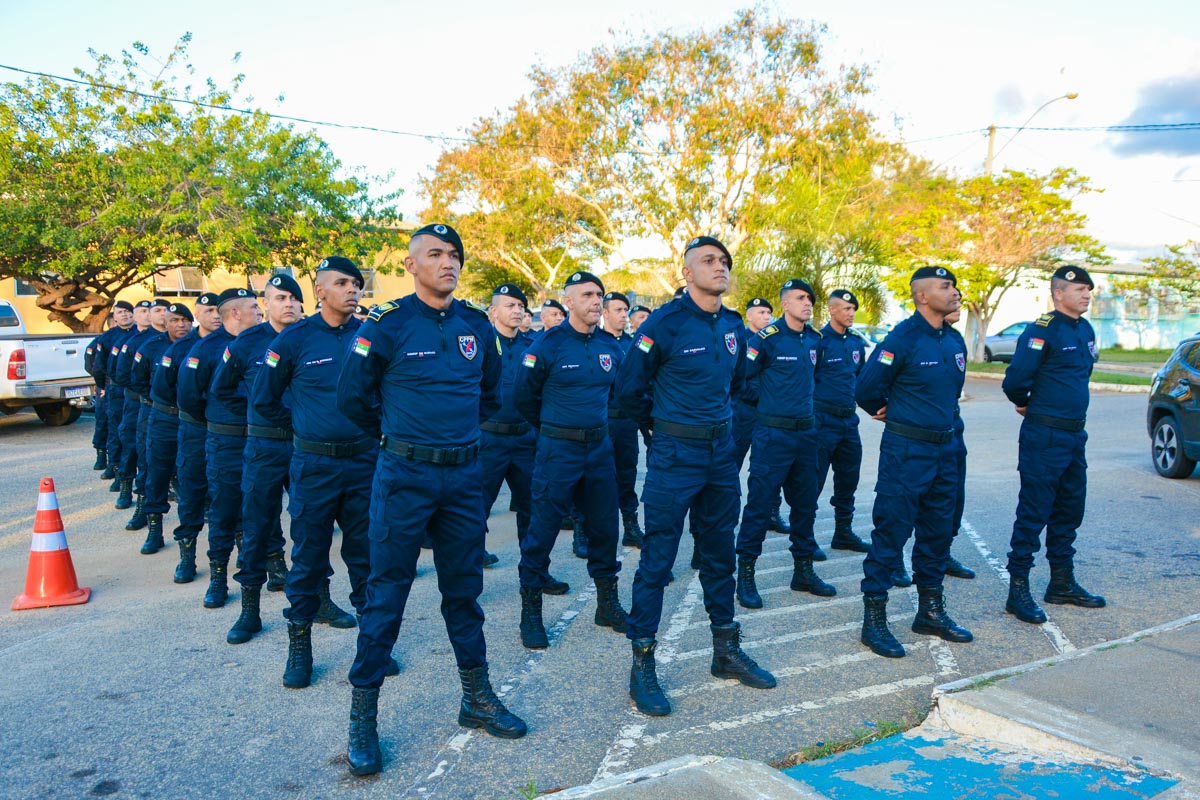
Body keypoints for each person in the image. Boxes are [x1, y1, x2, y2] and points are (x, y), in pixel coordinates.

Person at [338, 223, 526, 777]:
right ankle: (363, 716)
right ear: (411, 265)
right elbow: (353, 398)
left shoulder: (474, 325)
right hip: (404, 477)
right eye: (436, 254)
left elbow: (491, 395)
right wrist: (401, 438)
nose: (448, 263)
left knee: (464, 593)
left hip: (465, 479)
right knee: (386, 594)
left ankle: (476, 698)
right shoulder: (387, 326)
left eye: (455, 255)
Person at [616, 235, 776, 717]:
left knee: (719, 553)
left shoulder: (731, 325)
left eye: (724, 261)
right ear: (686, 273)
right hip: (674, 455)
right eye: (708, 260)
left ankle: (725, 651)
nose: (719, 267)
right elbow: (628, 392)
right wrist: (661, 431)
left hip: (719, 454)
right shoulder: (664, 322)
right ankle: (643, 663)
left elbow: (737, 385)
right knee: (658, 561)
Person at [248, 257, 389, 686]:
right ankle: (300, 647)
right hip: (313, 465)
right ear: (320, 291)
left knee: (367, 557)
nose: (353, 290)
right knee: (308, 557)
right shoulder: (294, 340)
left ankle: (372, 648)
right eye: (342, 283)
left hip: (364, 462)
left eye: (357, 284)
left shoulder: (372, 336)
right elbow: (264, 399)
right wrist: (305, 427)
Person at [855, 266, 972, 659]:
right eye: (945, 286)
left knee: (938, 533)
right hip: (907, 451)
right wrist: (892, 411)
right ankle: (874, 620)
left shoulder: (954, 339)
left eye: (953, 285)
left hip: (946, 450)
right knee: (891, 532)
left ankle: (930, 612)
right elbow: (867, 388)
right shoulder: (901, 338)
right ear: (923, 296)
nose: (954, 291)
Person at [514, 272, 627, 649]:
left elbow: (615, 395)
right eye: (588, 295)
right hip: (557, 451)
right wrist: (556, 428)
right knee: (543, 529)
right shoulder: (547, 346)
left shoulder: (610, 348)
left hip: (598, 451)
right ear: (569, 301)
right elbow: (524, 399)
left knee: (605, 529)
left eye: (599, 295)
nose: (596, 301)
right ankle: (531, 612)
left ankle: (607, 605)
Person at [214, 275, 318, 643]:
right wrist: (259, 409)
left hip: (309, 447)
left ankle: (317, 599)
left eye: (293, 298)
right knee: (257, 525)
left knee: (310, 526)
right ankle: (250, 609)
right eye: (279, 298)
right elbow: (222, 389)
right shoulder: (246, 344)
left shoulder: (314, 335)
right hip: (266, 446)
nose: (288, 304)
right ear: (266, 305)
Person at [1001, 266, 1106, 624]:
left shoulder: (1086, 329)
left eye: (1089, 289)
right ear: (1058, 293)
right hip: (1044, 435)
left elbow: (1081, 375)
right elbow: (1015, 379)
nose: (1087, 294)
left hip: (1075, 435)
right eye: (1079, 288)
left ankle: (1061, 583)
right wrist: (1028, 403)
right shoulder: (1041, 330)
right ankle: (1018, 590)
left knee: (1069, 509)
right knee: (1034, 511)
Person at [734, 279, 835, 610]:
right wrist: (768, 403)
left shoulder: (816, 340)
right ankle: (746, 574)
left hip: (806, 435)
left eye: (810, 298)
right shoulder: (766, 340)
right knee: (760, 505)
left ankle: (803, 571)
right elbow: (741, 380)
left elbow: (817, 382)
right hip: (772, 435)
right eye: (800, 298)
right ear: (785, 305)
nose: (808, 303)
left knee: (806, 505)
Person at [477, 283, 567, 589]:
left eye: (520, 306)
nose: (517, 311)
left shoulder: (533, 344)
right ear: (493, 311)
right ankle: (468, 583)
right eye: (510, 305)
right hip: (489, 440)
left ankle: (536, 573)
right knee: (476, 511)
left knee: (534, 510)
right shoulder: (481, 344)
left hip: (526, 441)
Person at [179, 288, 261, 609]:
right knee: (224, 508)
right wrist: (220, 422)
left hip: (259, 438)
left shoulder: (264, 342)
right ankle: (218, 576)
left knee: (259, 506)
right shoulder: (206, 349)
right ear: (236, 313)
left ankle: (261, 567)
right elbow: (189, 397)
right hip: (224, 440)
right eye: (254, 307)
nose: (260, 312)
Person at [160, 292, 220, 582]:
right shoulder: (184, 348)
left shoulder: (239, 343)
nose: (215, 315)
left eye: (218, 309)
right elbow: (168, 388)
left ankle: (249, 556)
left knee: (234, 495)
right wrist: (205, 413)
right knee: (193, 489)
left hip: (231, 431)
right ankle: (187, 556)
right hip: (196, 427)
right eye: (208, 310)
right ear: (199, 313)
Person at [131, 303, 192, 554]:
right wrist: (158, 401)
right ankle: (155, 527)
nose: (181, 325)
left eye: (185, 320)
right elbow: (135, 379)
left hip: (192, 420)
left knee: (193, 473)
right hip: (161, 416)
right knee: (156, 472)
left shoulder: (199, 345)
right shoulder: (150, 347)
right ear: (165, 322)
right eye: (175, 320)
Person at [814, 290, 870, 554]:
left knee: (848, 479)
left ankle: (843, 533)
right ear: (832, 310)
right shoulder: (819, 342)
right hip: (822, 421)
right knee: (812, 482)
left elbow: (861, 379)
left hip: (849, 422)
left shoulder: (856, 343)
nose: (850, 313)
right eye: (846, 308)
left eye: (852, 309)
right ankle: (806, 538)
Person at [733, 297, 792, 537]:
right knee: (731, 464)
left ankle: (771, 513)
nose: (766, 316)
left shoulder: (775, 341)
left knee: (770, 465)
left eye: (769, 312)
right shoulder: (740, 341)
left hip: (768, 414)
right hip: (744, 411)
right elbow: (735, 378)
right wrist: (754, 395)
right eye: (760, 312)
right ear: (749, 315)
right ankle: (727, 514)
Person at [599, 290, 645, 547]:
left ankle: (630, 526)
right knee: (598, 478)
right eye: (618, 310)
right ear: (604, 313)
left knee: (627, 474)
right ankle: (586, 528)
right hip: (602, 421)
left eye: (625, 311)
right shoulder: (595, 342)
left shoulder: (634, 344)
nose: (624, 316)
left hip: (627, 422)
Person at [942, 295, 976, 580]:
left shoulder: (955, 340)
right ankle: (897, 561)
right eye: (952, 297)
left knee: (954, 496)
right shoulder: (911, 337)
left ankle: (944, 552)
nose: (958, 305)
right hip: (921, 433)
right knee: (910, 502)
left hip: (954, 428)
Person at [111, 300, 155, 511]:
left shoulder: (169, 340)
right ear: (136, 317)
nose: (148, 315)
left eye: (152, 311)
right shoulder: (130, 342)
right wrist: (144, 393)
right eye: (143, 312)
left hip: (160, 406)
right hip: (136, 401)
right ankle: (127, 485)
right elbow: (119, 374)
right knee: (130, 444)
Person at [89, 302, 135, 476]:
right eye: (120, 312)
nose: (124, 315)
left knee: (132, 432)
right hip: (113, 388)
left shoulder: (140, 335)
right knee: (114, 428)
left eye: (128, 312)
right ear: (114, 317)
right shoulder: (107, 338)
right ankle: (114, 466)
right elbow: (98, 366)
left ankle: (129, 468)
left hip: (134, 389)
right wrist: (102, 386)